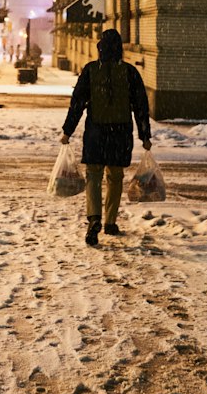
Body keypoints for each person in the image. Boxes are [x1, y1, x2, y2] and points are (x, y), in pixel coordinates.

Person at [60, 28, 151, 247]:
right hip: (120, 133)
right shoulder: (129, 73)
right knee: (115, 176)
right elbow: (141, 106)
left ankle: (94, 219)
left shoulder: (91, 70)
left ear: (100, 48)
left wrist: (67, 130)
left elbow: (78, 103)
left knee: (93, 175)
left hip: (96, 132)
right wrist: (145, 135)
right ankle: (110, 221)